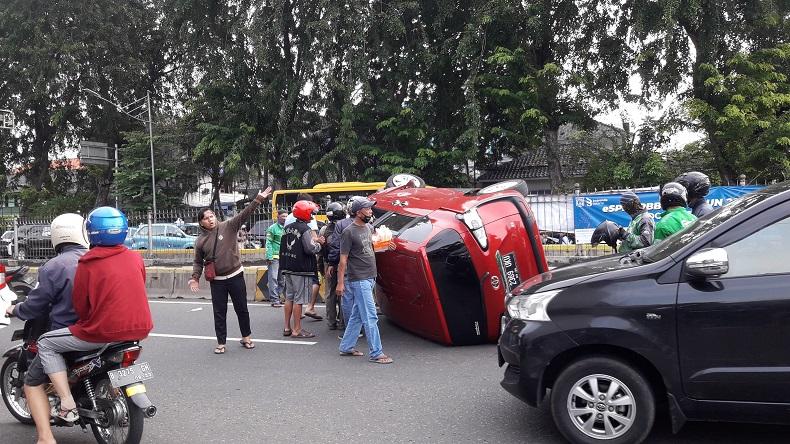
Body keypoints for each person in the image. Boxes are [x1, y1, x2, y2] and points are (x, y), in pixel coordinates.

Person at [34, 207, 153, 429]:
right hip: (140, 329)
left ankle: (67, 403)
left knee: (46, 343)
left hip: (103, 331)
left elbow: (80, 304)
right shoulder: (135, 258)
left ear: (91, 232)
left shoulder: (88, 263)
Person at [4, 213, 87, 444]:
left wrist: (16, 310)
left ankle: (46, 437)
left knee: (32, 380)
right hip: (109, 329)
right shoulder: (96, 259)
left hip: (70, 332)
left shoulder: (54, 265)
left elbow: (36, 305)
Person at [189, 186, 273, 354]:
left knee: (241, 308)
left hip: (235, 275)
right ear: (201, 222)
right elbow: (198, 262)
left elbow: (245, 213)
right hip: (217, 281)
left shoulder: (229, 226)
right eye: (206, 218)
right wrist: (195, 277)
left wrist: (258, 199)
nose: (210, 220)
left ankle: (246, 337)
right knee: (219, 312)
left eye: (211, 216)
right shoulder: (200, 241)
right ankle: (221, 342)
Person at [336, 197, 393, 364]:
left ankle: (346, 346)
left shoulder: (368, 227)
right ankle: (376, 353)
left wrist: (385, 246)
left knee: (357, 315)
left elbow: (369, 249)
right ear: (358, 212)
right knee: (370, 315)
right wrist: (340, 283)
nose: (370, 211)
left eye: (370, 209)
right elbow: (343, 260)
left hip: (370, 276)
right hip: (359, 278)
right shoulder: (349, 232)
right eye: (367, 209)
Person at [279, 200, 325, 338]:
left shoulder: (287, 227)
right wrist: (320, 245)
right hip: (301, 268)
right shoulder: (305, 229)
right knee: (298, 300)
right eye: (311, 212)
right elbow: (310, 249)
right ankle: (297, 329)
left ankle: (287, 328)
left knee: (289, 297)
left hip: (288, 266)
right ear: (305, 213)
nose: (312, 215)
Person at [319, 202, 346, 330]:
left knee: (330, 292)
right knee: (342, 292)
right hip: (342, 262)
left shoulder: (324, 229)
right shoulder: (346, 227)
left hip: (327, 263)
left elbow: (321, 250)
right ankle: (342, 321)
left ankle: (331, 322)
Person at [264, 210, 287, 307]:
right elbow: (268, 243)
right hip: (274, 257)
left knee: (282, 280)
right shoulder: (272, 228)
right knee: (273, 278)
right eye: (283, 216)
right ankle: (274, 300)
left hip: (284, 257)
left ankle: (277, 296)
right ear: (278, 217)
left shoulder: (288, 228)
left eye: (286, 216)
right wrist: (269, 256)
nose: (285, 218)